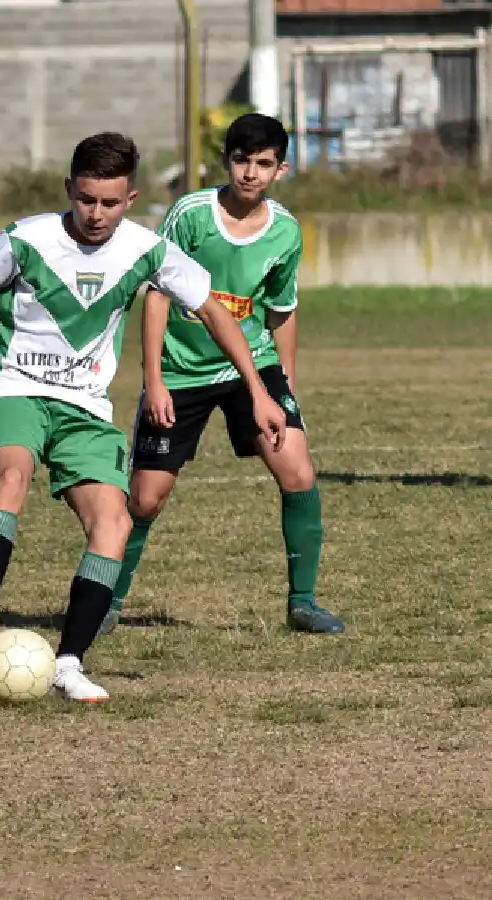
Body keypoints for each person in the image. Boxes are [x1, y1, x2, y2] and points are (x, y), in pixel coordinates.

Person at [0, 131, 288, 702]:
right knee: (12, 476)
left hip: (86, 407)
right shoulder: (28, 239)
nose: (96, 214)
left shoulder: (146, 248)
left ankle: (69, 662)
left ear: (130, 198)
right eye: (87, 199)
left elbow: (214, 311)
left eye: (111, 202)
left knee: (115, 523)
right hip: (15, 389)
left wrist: (259, 390)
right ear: (69, 189)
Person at [102, 113, 344, 638]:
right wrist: (156, 380)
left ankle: (303, 602)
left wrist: (285, 387)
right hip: (181, 371)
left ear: (281, 170)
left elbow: (281, 310)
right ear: (226, 162)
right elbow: (159, 293)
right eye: (241, 161)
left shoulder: (285, 231)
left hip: (250, 366)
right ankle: (107, 602)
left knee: (298, 470)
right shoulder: (191, 215)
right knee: (145, 498)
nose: (250, 174)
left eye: (263, 164)